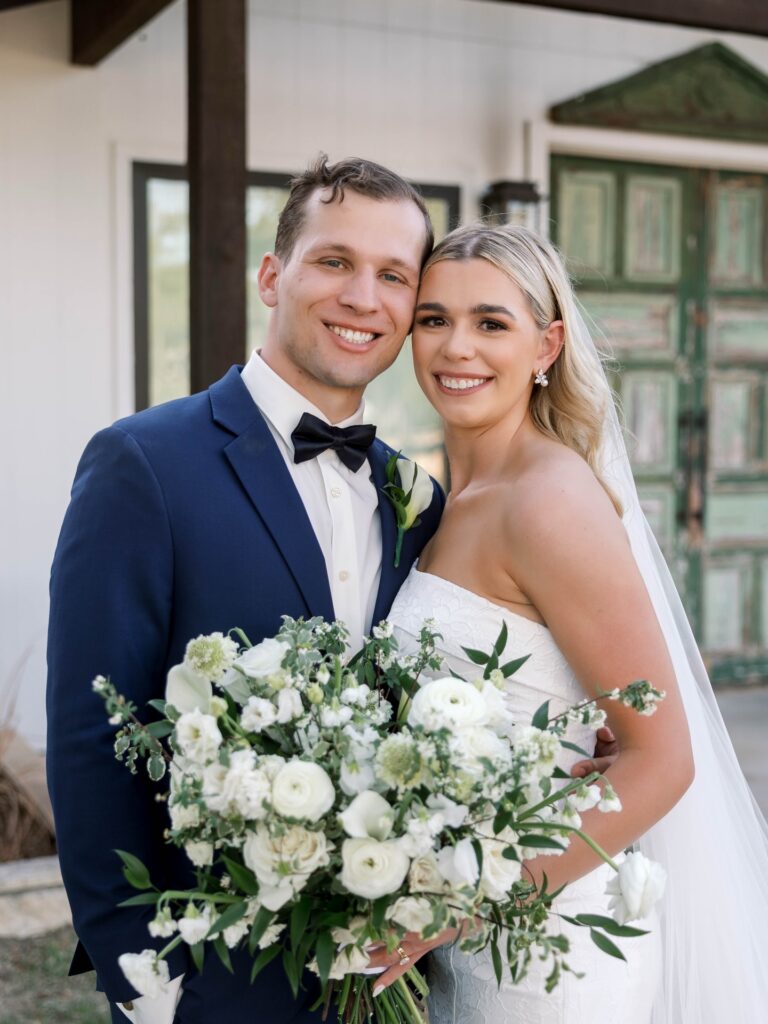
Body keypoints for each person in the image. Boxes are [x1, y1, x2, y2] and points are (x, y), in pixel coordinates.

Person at [46, 155, 447, 1024]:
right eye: (334, 262)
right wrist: (145, 980)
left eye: (393, 276)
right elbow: (90, 731)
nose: (362, 298)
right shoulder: (143, 463)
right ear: (274, 275)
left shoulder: (417, 497)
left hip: (379, 980)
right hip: (211, 977)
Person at [371, 223, 768, 1022]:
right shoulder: (452, 500)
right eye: (434, 319)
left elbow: (663, 760)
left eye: (492, 323)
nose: (457, 348)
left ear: (547, 345)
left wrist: (462, 903)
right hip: (470, 937)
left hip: (551, 958)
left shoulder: (548, 499)